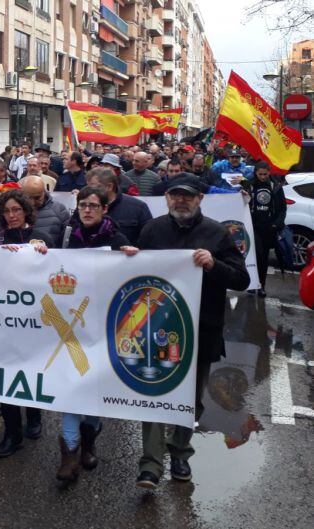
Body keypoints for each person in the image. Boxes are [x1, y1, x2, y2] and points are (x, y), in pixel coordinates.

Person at [134, 175, 250, 489]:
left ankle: (181, 452)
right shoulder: (152, 230)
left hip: (202, 327)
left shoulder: (216, 233)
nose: (180, 200)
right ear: (168, 198)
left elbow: (241, 279)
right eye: (175, 195)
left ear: (199, 199)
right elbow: (133, 274)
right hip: (157, 329)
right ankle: (150, 463)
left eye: (187, 196)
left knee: (191, 397)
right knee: (154, 393)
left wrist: (214, 264)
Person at [57, 186, 136, 481]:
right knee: (69, 389)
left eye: (93, 205)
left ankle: (88, 443)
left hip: (103, 328)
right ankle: (69, 455)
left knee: (91, 389)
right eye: (82, 205)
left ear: (104, 209)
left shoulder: (117, 239)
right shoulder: (67, 235)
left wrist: (132, 256)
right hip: (70, 325)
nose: (87, 210)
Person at [0, 189, 53, 457]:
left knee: (31, 370)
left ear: (26, 211)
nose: (12, 215)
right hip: (5, 318)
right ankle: (12, 432)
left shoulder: (42, 237)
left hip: (33, 319)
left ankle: (35, 416)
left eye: (16, 210)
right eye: (7, 211)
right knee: (7, 374)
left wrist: (41, 252)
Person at [242, 161, 286, 297]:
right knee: (255, 255)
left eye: (265, 174)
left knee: (264, 258)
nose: (262, 177)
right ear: (256, 173)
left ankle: (261, 284)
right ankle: (252, 283)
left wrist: (276, 224)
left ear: (269, 172)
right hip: (252, 226)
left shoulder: (276, 186)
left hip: (269, 227)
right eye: (260, 174)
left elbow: (282, 208)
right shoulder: (249, 185)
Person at [85, 167, 152, 245]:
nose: (89, 191)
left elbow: (149, 240)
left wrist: (133, 250)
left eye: (94, 187)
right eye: (88, 187)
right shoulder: (84, 206)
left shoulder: (138, 208)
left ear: (109, 187)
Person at [20, 175, 69, 245]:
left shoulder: (59, 210)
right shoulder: (15, 211)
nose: (33, 202)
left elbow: (68, 238)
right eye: (28, 198)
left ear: (44, 192)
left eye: (37, 198)